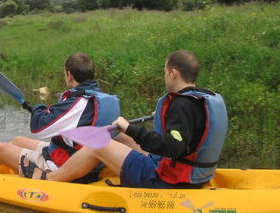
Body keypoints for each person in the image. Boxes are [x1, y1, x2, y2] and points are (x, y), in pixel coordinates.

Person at [26, 50, 228, 189]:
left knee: (99, 144)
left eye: (165, 72)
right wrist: (132, 132)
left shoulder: (181, 105)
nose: (165, 76)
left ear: (173, 73)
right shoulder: (200, 99)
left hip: (170, 180)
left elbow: (174, 147)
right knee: (120, 139)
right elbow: (189, 134)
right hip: (197, 174)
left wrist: (130, 128)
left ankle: (49, 179)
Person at [0, 52, 121, 182]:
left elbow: (39, 128)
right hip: (82, 159)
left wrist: (39, 108)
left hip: (66, 167)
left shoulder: (80, 103)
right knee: (18, 140)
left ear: (69, 74)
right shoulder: (103, 99)